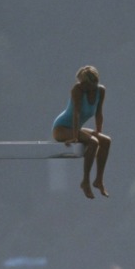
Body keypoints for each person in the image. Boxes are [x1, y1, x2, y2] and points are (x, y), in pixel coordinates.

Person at [52, 65, 111, 199]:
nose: (80, 84)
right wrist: (74, 137)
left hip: (76, 128)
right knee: (93, 142)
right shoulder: (77, 90)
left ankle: (98, 180)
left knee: (106, 141)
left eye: (83, 82)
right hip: (61, 128)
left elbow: (99, 113)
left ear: (92, 83)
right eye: (80, 82)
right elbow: (76, 114)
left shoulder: (100, 91)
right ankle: (85, 181)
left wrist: (99, 132)